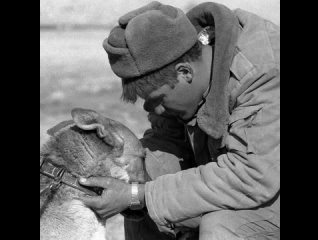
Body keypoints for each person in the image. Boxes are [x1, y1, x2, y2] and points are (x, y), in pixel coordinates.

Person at [79, 1, 280, 239]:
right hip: (242, 179)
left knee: (221, 227)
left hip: (264, 182)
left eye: (159, 99)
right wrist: (129, 179)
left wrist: (140, 195)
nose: (158, 110)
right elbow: (166, 140)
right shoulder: (173, 61)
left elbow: (251, 176)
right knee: (141, 191)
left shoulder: (263, 72)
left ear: (185, 72)